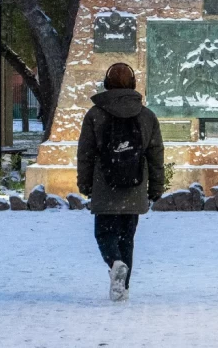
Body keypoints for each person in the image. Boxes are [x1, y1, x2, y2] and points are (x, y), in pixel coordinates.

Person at [77, 63, 165, 301]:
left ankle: (115, 264)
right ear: (133, 84)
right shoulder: (147, 117)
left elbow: (85, 153)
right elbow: (156, 155)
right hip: (134, 187)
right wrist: (156, 188)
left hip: (105, 185)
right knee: (127, 238)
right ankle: (122, 288)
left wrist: (85, 184)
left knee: (104, 235)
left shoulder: (95, 115)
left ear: (107, 84)